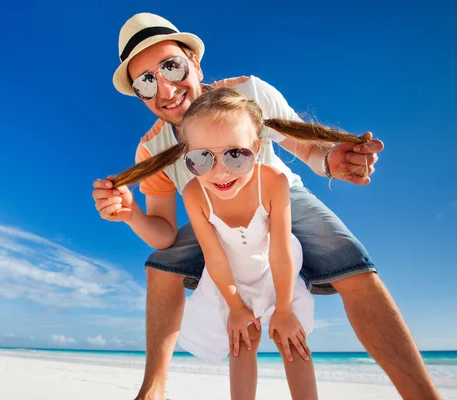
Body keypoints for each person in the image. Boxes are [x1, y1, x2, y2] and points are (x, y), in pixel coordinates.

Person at [93, 12, 440, 400]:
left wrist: (332, 162)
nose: (165, 88)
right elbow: (164, 234)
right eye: (146, 81)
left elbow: (305, 147)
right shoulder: (152, 150)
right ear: (139, 94)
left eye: (171, 67)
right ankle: (153, 390)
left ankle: (423, 395)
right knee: (162, 268)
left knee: (353, 266)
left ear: (194, 62)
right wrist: (131, 215)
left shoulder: (250, 92)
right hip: (210, 214)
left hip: (275, 198)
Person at [110, 88, 367, 399]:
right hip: (228, 277)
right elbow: (214, 257)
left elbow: (282, 250)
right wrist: (235, 306)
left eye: (236, 155)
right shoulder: (195, 193)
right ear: (187, 155)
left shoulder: (273, 181)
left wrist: (283, 310)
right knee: (241, 341)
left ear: (256, 148)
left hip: (279, 272)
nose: (220, 172)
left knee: (292, 341)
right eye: (202, 158)